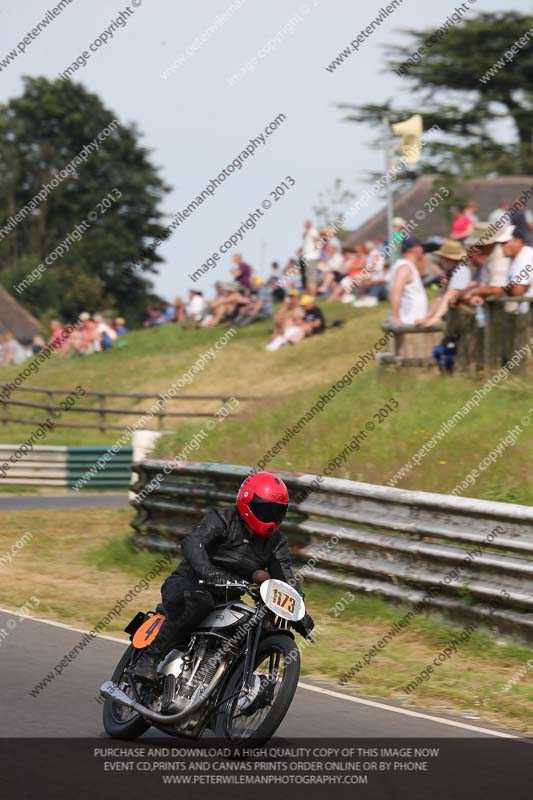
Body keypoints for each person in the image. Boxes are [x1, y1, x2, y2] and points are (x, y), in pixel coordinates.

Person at [134, 471, 314, 682]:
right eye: (266, 510)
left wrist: (299, 611)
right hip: (189, 584)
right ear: (248, 502)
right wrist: (208, 572)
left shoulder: (276, 542)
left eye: (277, 511)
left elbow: (286, 578)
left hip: (228, 597)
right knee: (200, 601)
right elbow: (193, 543)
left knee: (251, 623)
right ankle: (150, 659)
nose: (271, 517)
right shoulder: (222, 518)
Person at [415, 239, 469, 327]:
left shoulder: (461, 271)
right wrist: (427, 317)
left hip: (465, 320)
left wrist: (435, 317)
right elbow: (440, 298)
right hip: (456, 319)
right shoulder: (451, 272)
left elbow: (450, 294)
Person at [388, 236, 428, 325]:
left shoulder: (404, 265)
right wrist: (396, 318)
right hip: (407, 322)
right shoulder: (405, 267)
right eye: (422, 247)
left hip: (411, 322)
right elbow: (396, 293)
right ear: (415, 249)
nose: (423, 250)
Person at [301, 219, 322, 296]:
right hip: (308, 258)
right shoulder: (308, 232)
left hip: (312, 257)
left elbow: (318, 240)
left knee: (311, 278)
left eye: (306, 223)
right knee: (309, 278)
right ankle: (310, 295)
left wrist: (315, 250)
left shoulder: (313, 231)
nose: (305, 225)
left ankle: (313, 296)